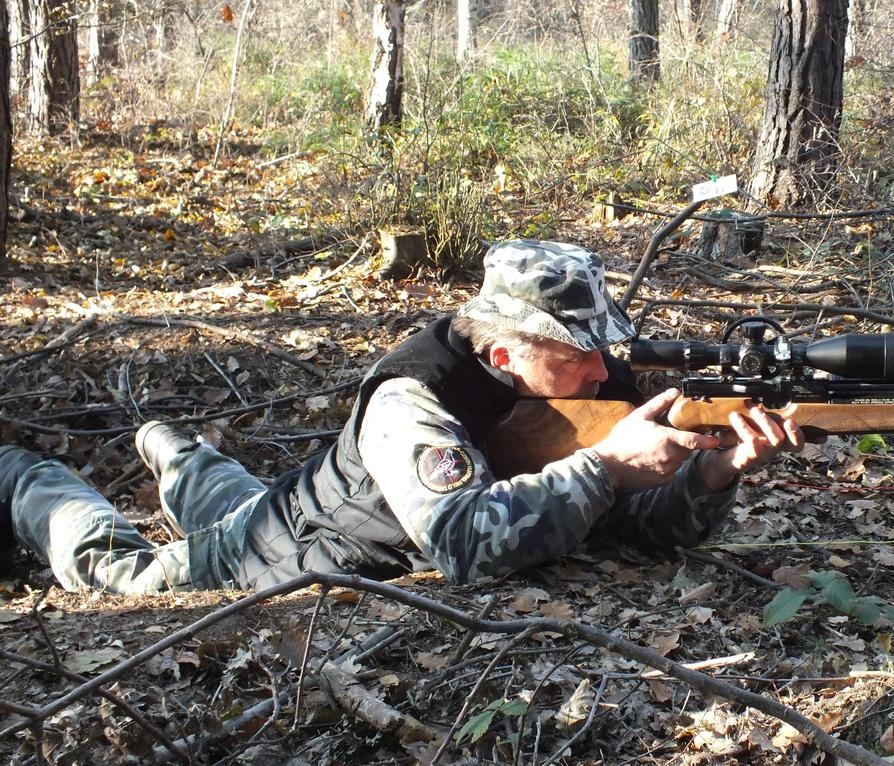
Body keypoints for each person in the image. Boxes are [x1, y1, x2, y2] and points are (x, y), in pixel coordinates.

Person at [0, 240, 803, 594]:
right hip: (291, 551)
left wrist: (711, 472)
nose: (603, 371)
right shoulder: (410, 400)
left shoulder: (587, 375)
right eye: (578, 354)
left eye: (604, 348)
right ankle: (28, 476)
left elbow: (638, 528)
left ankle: (173, 450)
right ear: (504, 353)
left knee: (235, 495)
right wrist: (604, 466)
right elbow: (463, 546)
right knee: (121, 568)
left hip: (306, 500)